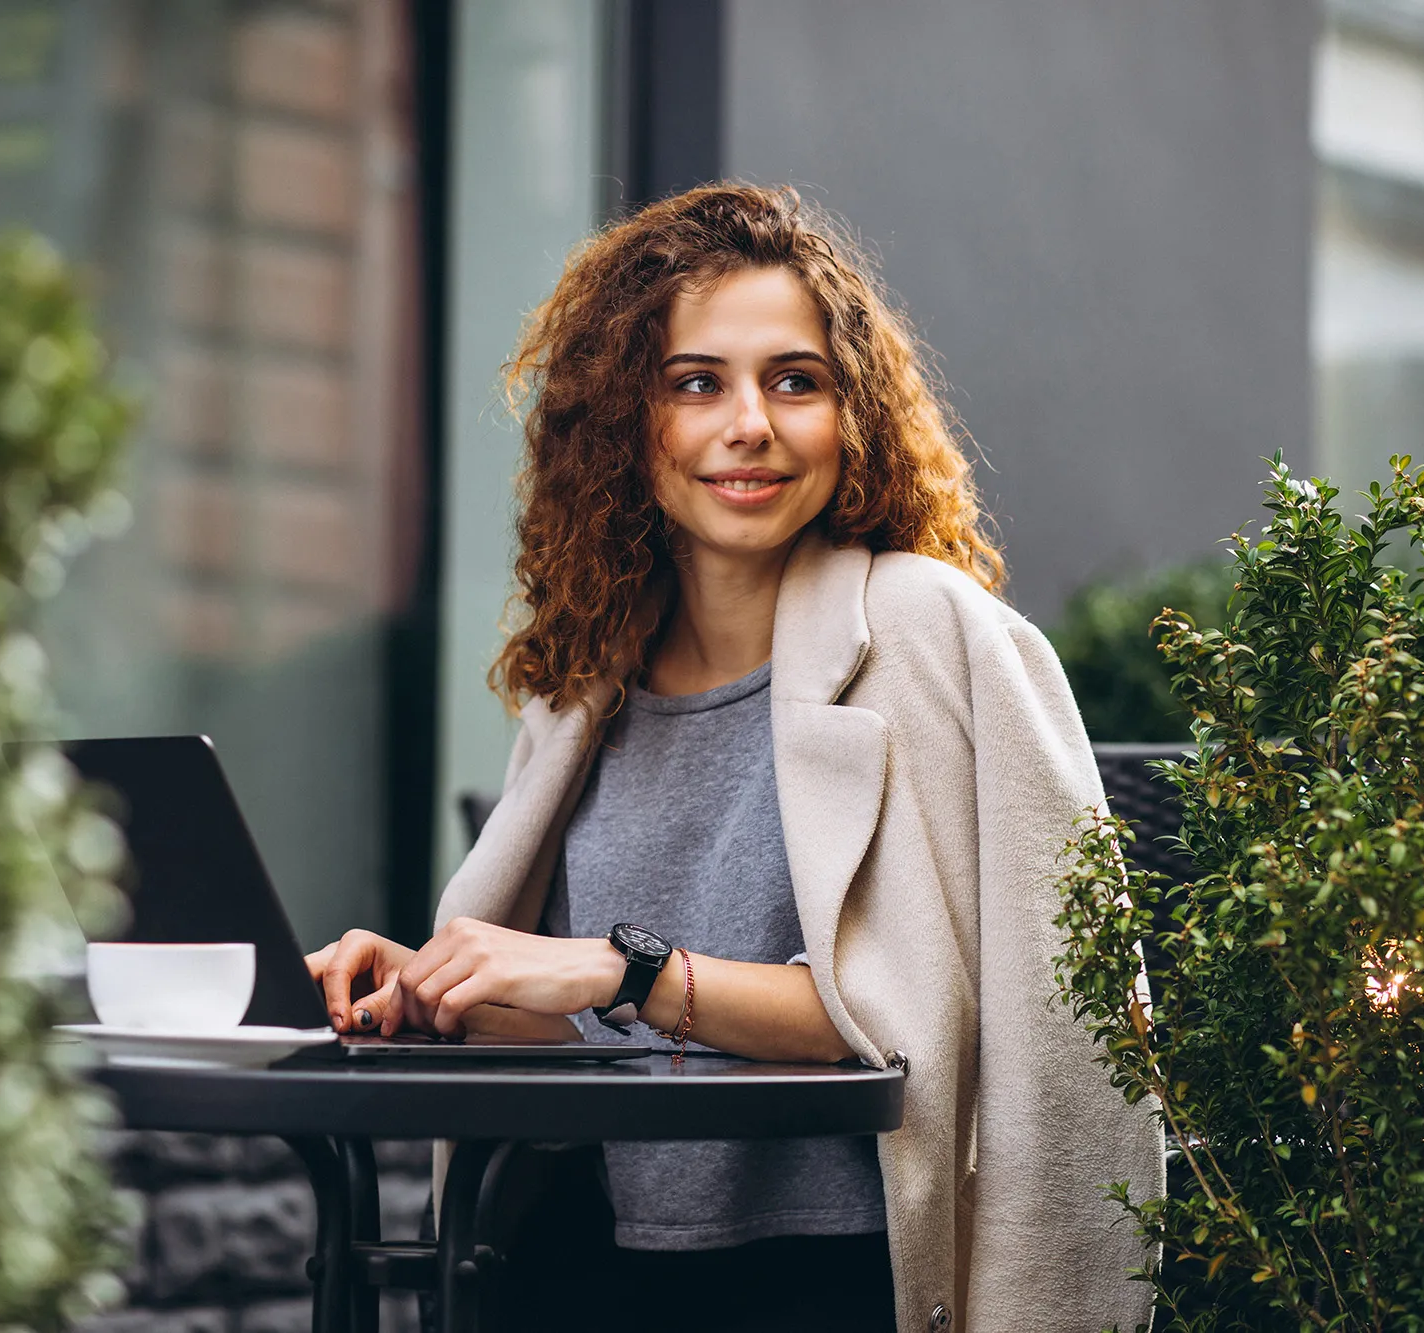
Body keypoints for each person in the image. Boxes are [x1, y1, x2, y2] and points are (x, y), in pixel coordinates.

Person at [306, 183, 1162, 1332]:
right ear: (623, 420)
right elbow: (581, 1036)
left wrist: (625, 968)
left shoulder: (932, 633)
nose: (748, 423)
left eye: (793, 380)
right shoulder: (582, 683)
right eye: (694, 382)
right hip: (576, 1256)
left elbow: (945, 1023)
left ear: (849, 414)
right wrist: (440, 986)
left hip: (838, 1272)